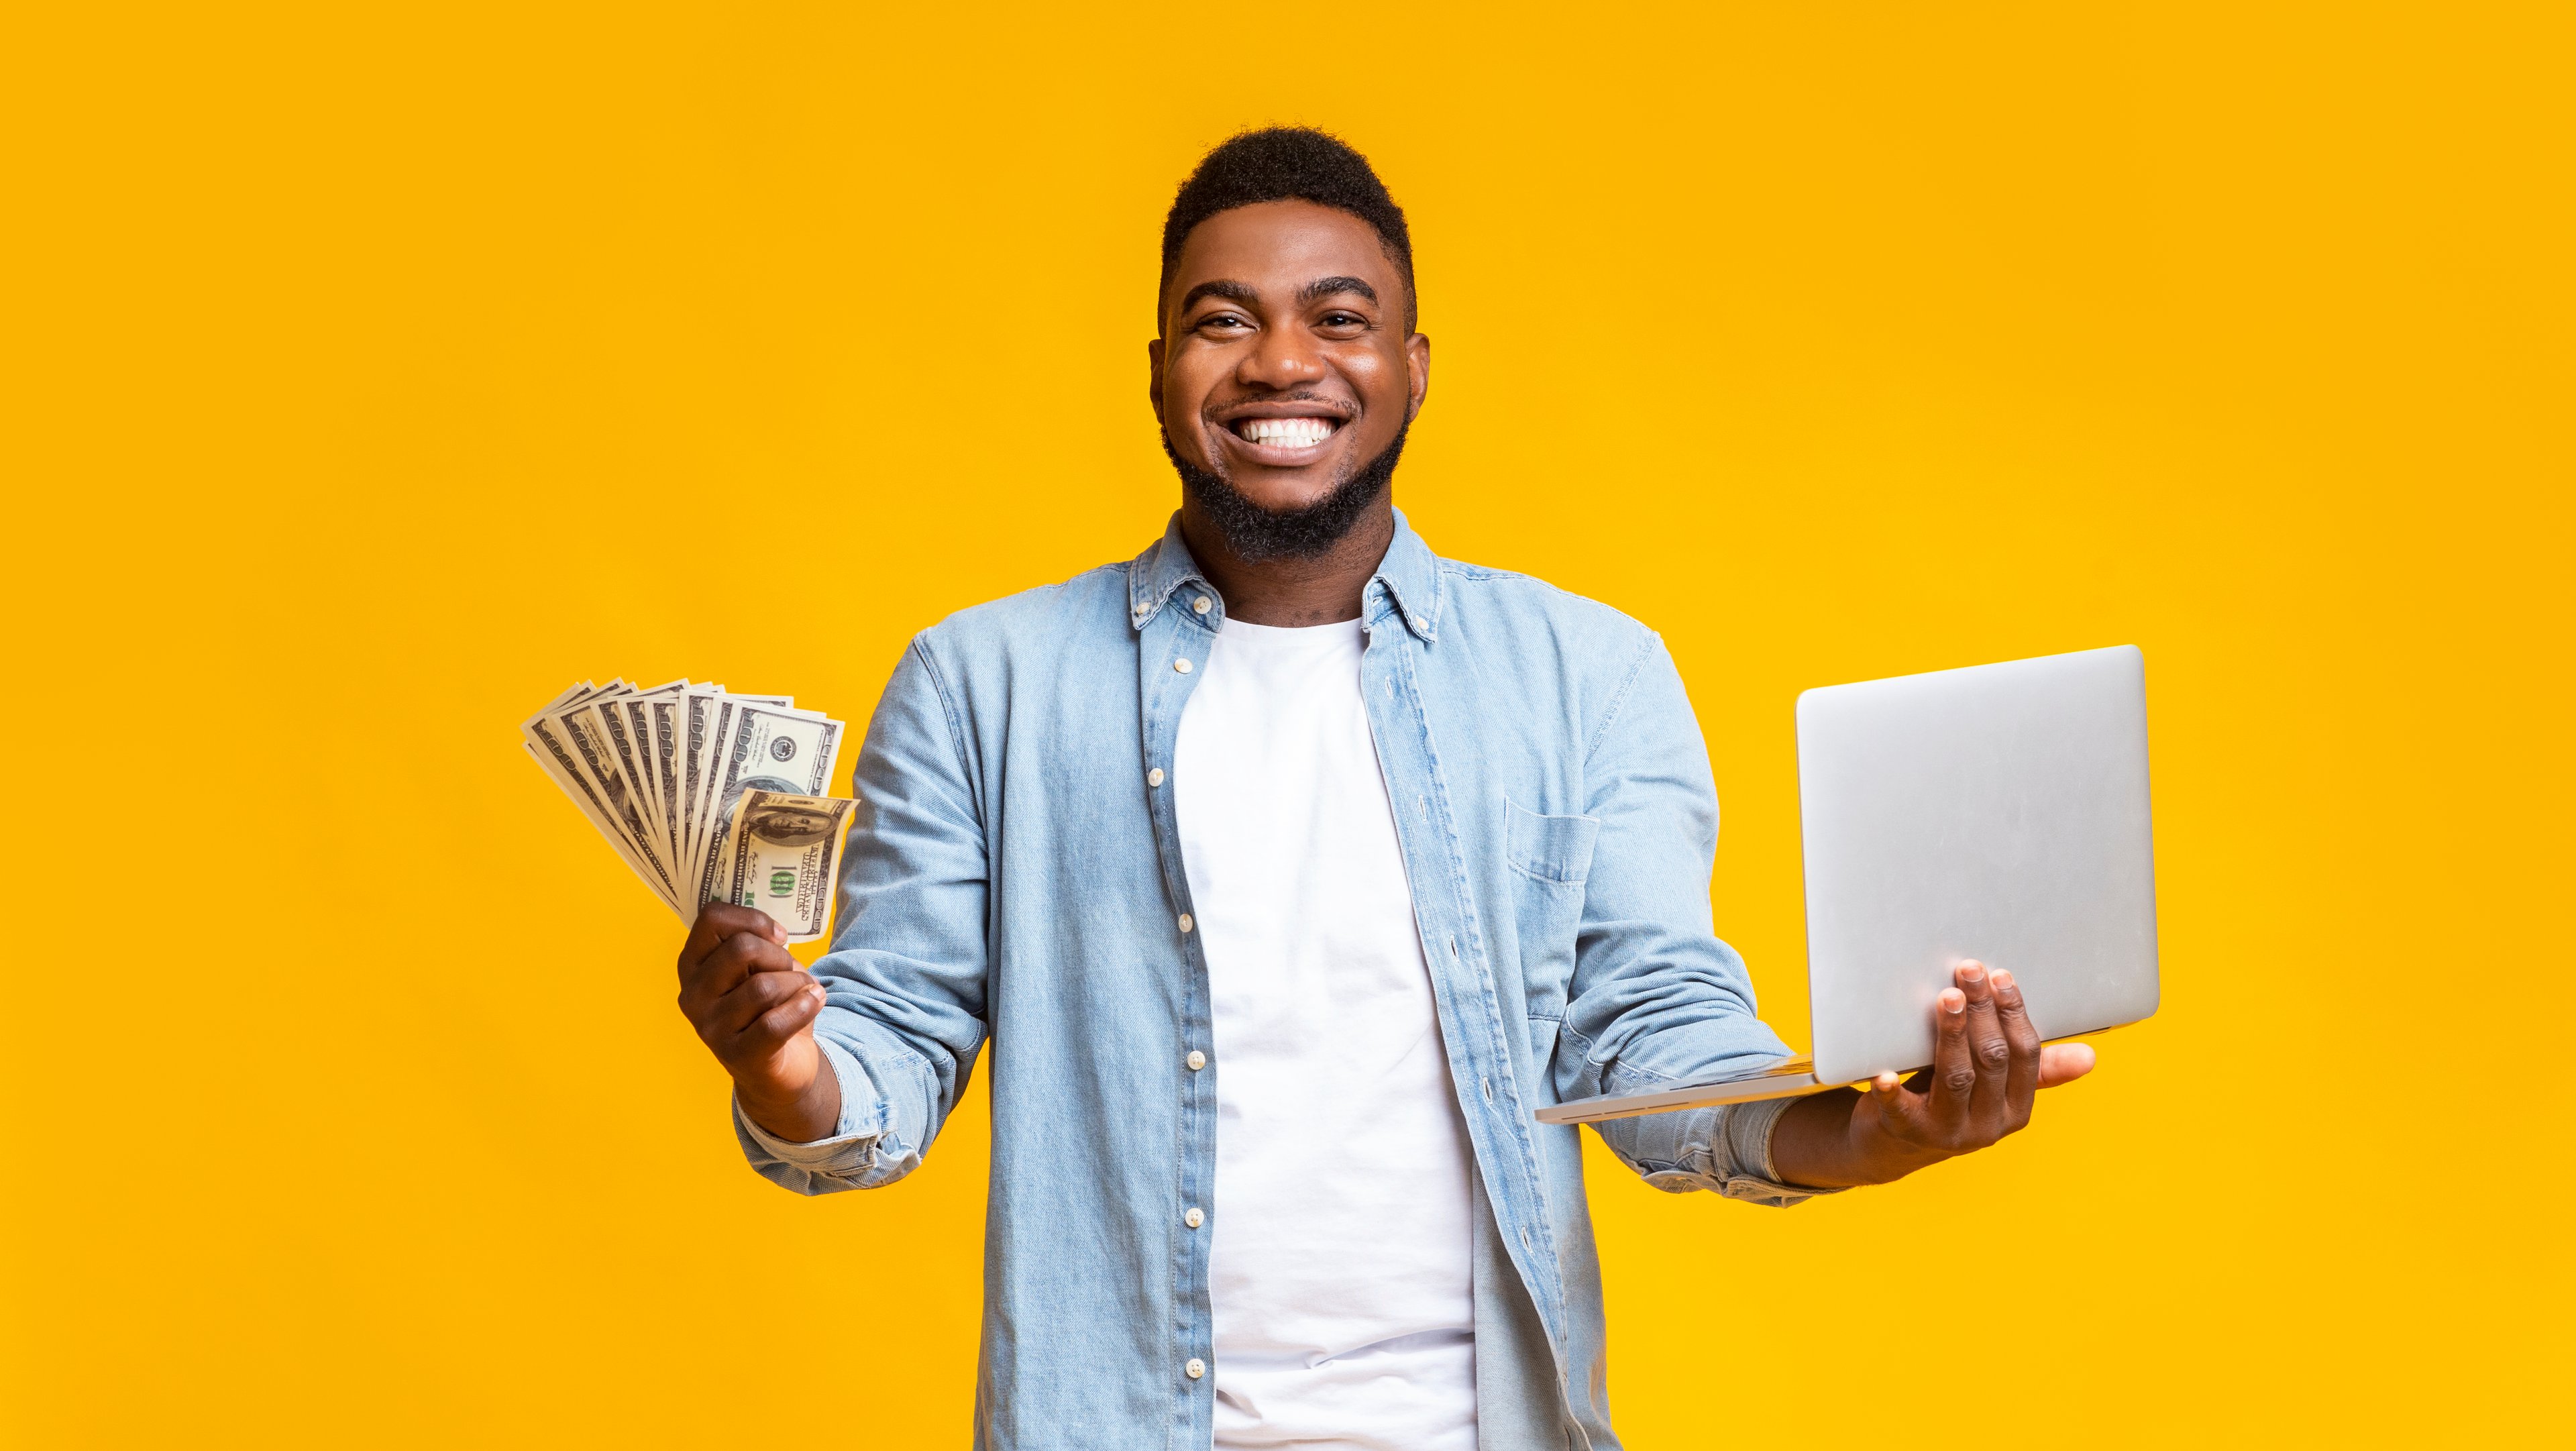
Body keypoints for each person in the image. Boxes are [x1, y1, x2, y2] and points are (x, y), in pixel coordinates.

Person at [672, 127, 2097, 1451]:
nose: (1282, 361)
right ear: (1157, 366)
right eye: (1224, 320)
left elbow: (1652, 1040)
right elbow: (888, 1052)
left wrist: (1871, 1132)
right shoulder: (983, 682)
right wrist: (784, 1064)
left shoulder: (1587, 672)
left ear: (1414, 367)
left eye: (1338, 318)